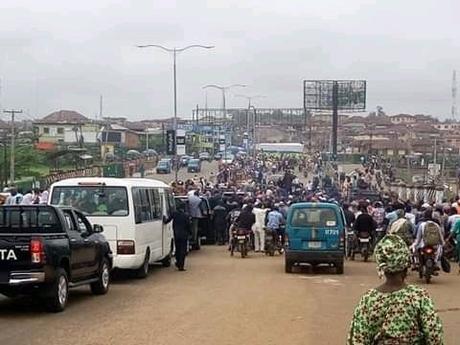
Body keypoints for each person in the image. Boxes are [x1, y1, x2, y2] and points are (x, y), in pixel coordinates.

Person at [347, 234, 444, 344]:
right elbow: (434, 336)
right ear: (406, 263)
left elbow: (358, 339)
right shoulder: (419, 297)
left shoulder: (369, 300)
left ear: (381, 265)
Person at [172, 201, 191, 271]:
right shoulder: (186, 215)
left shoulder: (174, 214)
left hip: (176, 234)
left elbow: (167, 220)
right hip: (184, 235)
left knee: (177, 249)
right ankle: (181, 265)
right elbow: (188, 225)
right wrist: (190, 233)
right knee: (183, 250)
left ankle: (178, 261)